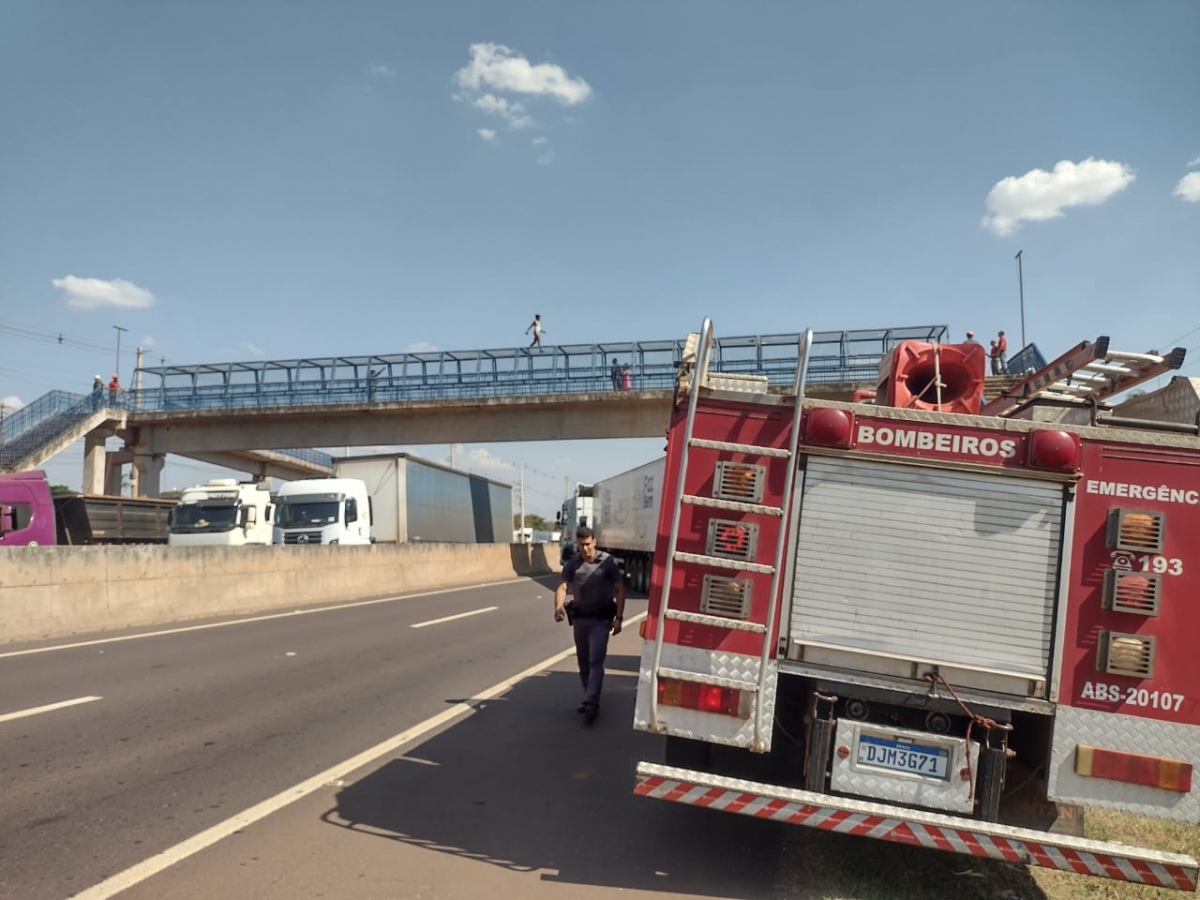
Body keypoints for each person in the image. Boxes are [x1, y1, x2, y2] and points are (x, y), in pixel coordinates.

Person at [554, 525, 625, 725]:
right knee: (584, 662)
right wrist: (559, 606)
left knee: (596, 660)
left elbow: (619, 589)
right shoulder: (572, 564)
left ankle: (592, 701)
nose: (585, 548)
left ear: (594, 541)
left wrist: (618, 618)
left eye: (587, 544)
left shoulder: (608, 562)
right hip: (580, 620)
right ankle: (589, 696)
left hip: (601, 621)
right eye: (581, 544)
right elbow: (562, 586)